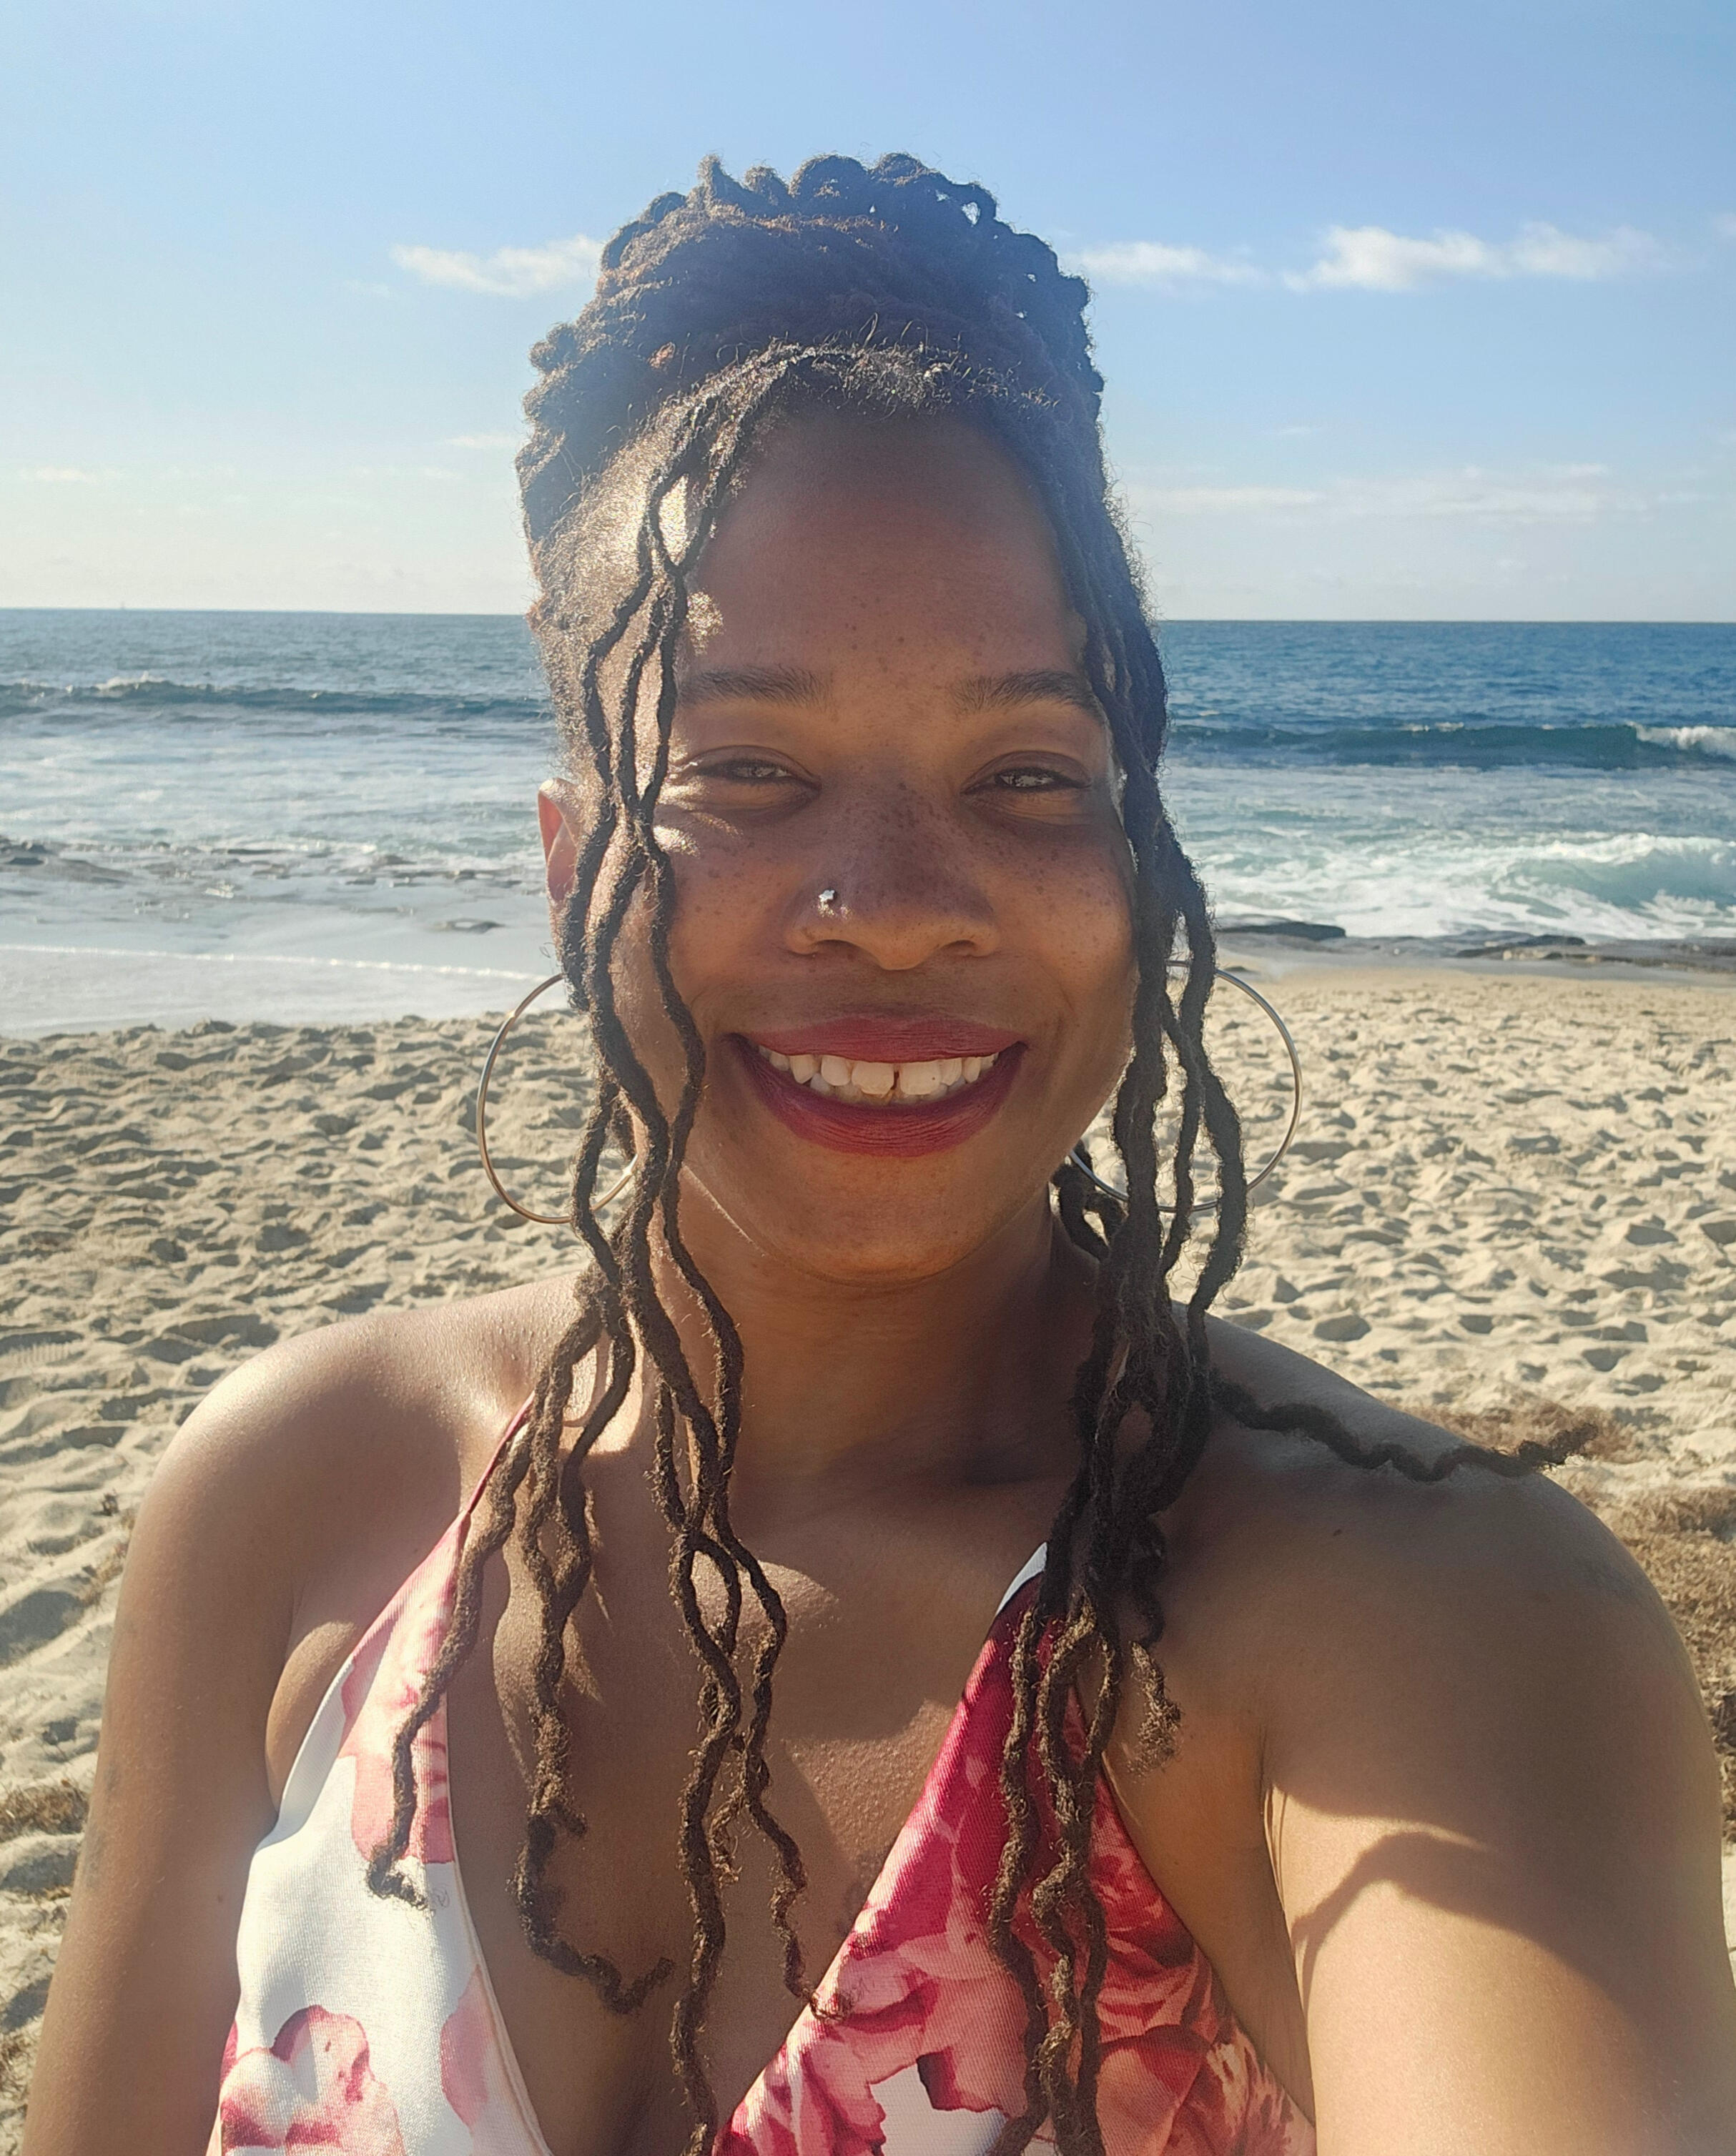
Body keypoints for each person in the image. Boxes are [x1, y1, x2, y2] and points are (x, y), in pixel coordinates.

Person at [24, 154, 1736, 2156]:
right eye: (746, 771)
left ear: (1138, 857)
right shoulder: (301, 1496)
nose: (898, 907)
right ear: (570, 866)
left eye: (1027, 775)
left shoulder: (1409, 1626)